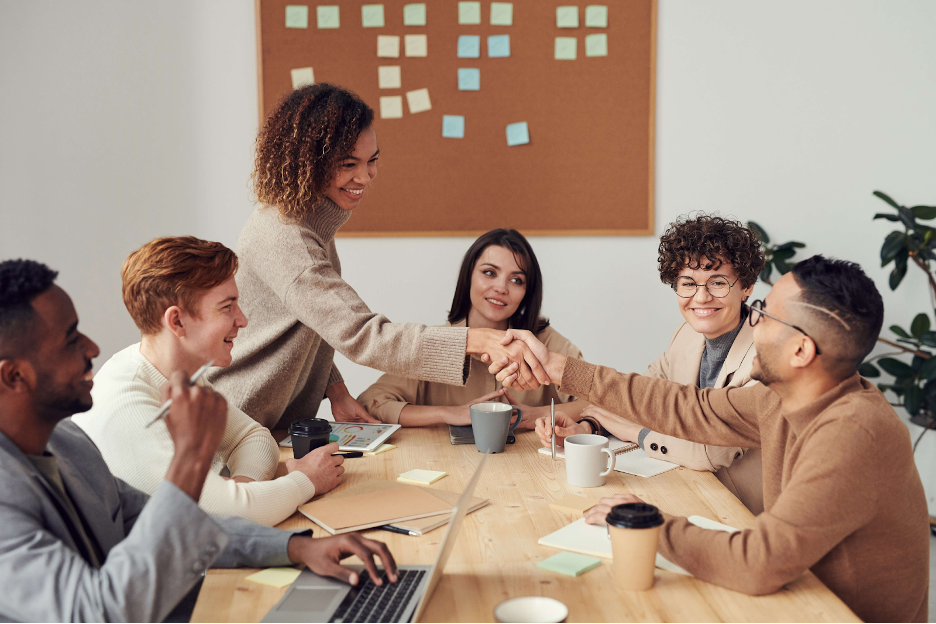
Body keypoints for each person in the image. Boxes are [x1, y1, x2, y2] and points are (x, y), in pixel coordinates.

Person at [494, 255, 929, 623]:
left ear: (801, 351)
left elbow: (758, 562)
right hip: (796, 595)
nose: (751, 321)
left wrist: (651, 524)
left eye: (763, 313)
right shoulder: (782, 398)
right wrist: (560, 368)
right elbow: (688, 408)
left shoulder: (853, 433)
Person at [0, 259, 397, 622]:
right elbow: (99, 612)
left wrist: (296, 548)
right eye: (71, 340)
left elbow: (169, 524)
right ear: (14, 376)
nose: (93, 348)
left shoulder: (66, 442)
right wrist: (191, 457)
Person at [207, 83, 548, 430]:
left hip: (269, 425)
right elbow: (363, 334)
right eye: (348, 163)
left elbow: (314, 323)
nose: (365, 176)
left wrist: (336, 390)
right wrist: (473, 339)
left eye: (372, 161)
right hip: (236, 424)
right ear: (308, 163)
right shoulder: (288, 237)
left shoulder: (308, 222)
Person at [73, 237, 343, 526]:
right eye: (227, 307)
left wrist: (241, 492)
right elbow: (222, 518)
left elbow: (253, 438)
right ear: (176, 322)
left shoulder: (177, 373)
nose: (242, 320)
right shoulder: (127, 406)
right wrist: (305, 480)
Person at [536, 215, 766, 513]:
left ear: (746, 286)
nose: (701, 297)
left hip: (743, 512)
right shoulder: (686, 335)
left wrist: (637, 433)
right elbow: (641, 397)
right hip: (689, 492)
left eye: (718, 282)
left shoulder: (765, 356)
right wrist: (589, 426)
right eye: (688, 283)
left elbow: (710, 452)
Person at [358, 229, 585, 428]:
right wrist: (448, 413)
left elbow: (602, 401)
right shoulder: (435, 344)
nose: (501, 288)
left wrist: (540, 414)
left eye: (516, 280)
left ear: (527, 292)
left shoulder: (545, 343)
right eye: (489, 273)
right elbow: (371, 403)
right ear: (468, 277)